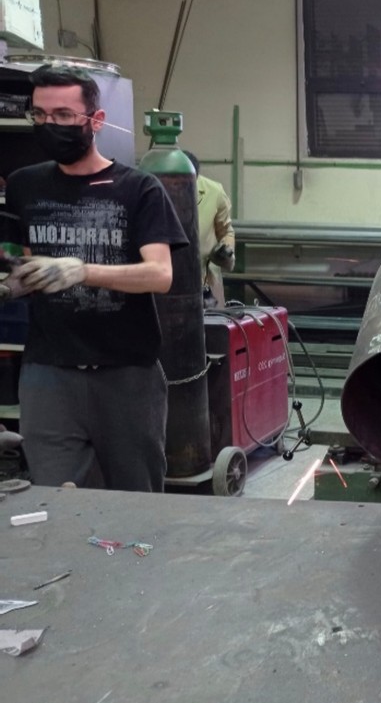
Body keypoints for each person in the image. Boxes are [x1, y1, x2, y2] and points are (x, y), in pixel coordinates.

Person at [5, 64, 188, 492]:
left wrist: (83, 271)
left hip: (126, 372)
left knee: (135, 496)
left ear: (96, 120)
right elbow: (24, 266)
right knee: (53, 498)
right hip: (49, 371)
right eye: (40, 115)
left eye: (63, 115)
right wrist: (11, 284)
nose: (50, 125)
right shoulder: (24, 185)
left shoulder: (139, 189)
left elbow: (160, 274)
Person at [183, 151, 235, 309]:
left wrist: (226, 250)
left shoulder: (214, 192)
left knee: (214, 323)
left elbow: (226, 232)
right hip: (169, 281)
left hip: (206, 284)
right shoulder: (155, 191)